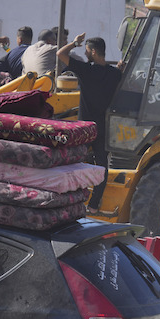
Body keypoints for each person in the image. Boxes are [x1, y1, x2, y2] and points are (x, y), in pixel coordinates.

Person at [57, 33, 122, 206]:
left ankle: (72, 199)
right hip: (103, 126)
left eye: (86, 50)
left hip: (84, 128)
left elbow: (60, 54)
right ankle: (94, 204)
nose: (85, 54)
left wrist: (74, 43)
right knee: (102, 165)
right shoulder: (114, 74)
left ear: (93, 51)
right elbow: (118, 76)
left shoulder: (86, 70)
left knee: (75, 162)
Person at [0, 25, 31, 93]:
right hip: (28, 83)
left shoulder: (14, 52)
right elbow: (15, 54)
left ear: (19, 40)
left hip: (13, 85)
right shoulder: (33, 51)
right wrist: (5, 48)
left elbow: (11, 55)